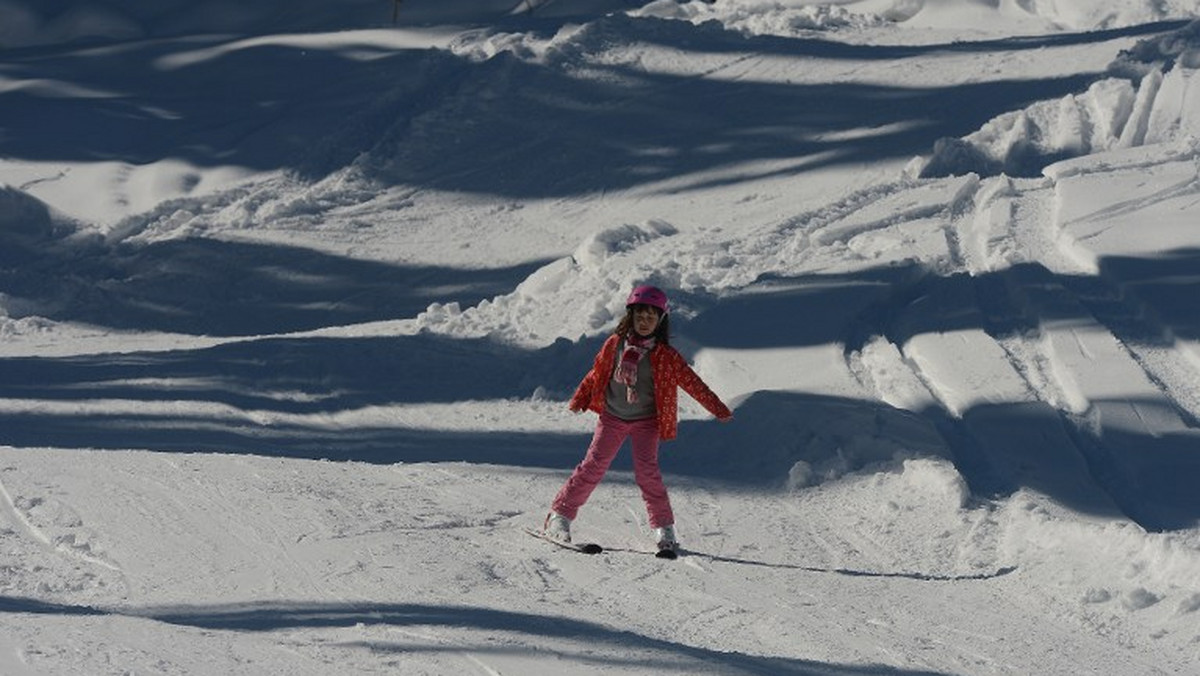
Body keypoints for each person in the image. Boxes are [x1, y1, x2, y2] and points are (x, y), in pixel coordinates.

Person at [544, 284, 733, 552]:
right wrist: (580, 397)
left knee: (648, 473)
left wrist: (718, 408)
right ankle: (559, 516)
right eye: (640, 316)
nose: (645, 322)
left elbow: (693, 383)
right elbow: (597, 374)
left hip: (647, 422)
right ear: (630, 316)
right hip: (613, 417)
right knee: (593, 466)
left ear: (661, 320)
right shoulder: (614, 345)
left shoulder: (666, 356)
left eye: (651, 317)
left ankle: (664, 527)